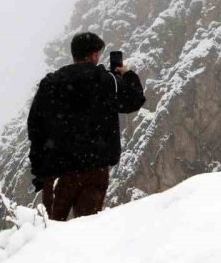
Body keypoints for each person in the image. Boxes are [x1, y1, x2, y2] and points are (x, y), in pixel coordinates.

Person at [27, 31, 145, 221]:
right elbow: (135, 100)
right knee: (87, 232)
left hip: (57, 171)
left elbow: (35, 127)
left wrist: (39, 170)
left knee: (48, 235)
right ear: (94, 55)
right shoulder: (106, 81)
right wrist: (128, 74)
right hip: (94, 170)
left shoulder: (50, 83)